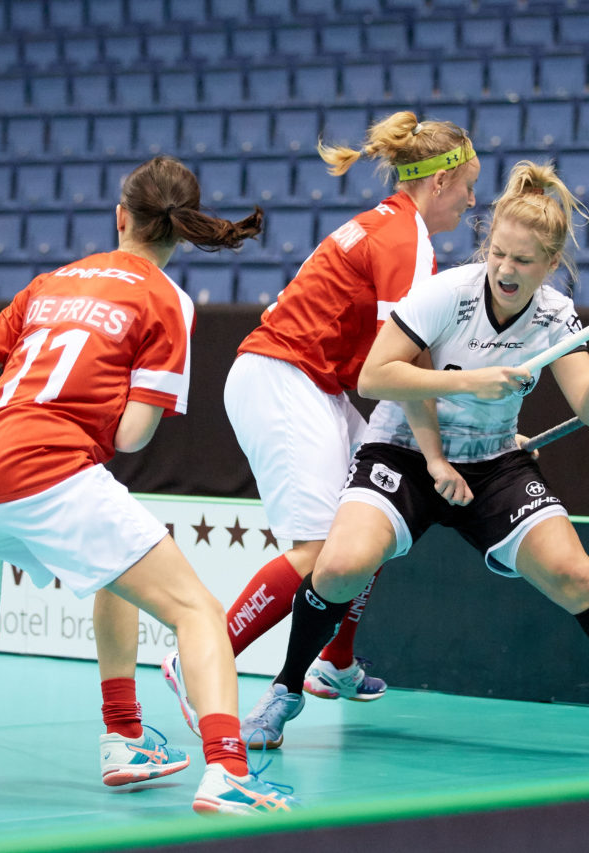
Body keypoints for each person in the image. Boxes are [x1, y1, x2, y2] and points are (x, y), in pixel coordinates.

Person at [240, 160, 589, 764]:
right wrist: (474, 386)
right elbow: (377, 376)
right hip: (403, 452)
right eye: (500, 255)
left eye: (524, 261)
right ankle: (284, 690)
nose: (507, 271)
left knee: (579, 577)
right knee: (341, 565)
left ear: (551, 264)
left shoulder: (556, 316)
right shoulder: (445, 293)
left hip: (493, 464)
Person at [0, 156, 297, 815]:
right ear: (182, 232)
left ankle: (126, 735)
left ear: (121, 216)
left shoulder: (48, 283)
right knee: (196, 611)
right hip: (45, 468)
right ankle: (227, 771)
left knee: (116, 568)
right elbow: (132, 436)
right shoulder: (168, 300)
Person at [162, 111, 480, 731]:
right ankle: (198, 657)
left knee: (379, 510)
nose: (474, 199)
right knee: (317, 554)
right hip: (283, 379)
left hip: (317, 384)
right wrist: (446, 445)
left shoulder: (397, 231)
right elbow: (404, 363)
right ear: (438, 183)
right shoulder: (404, 240)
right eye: (468, 184)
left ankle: (335, 661)